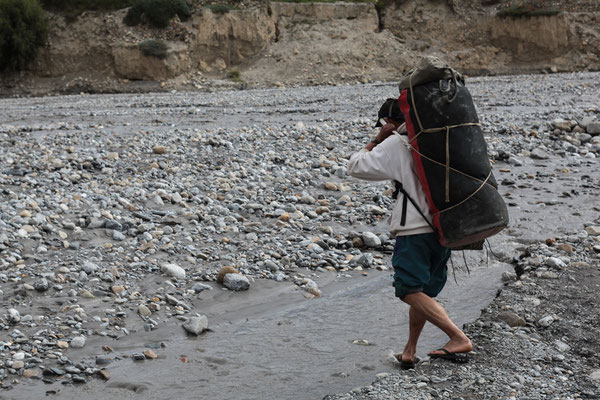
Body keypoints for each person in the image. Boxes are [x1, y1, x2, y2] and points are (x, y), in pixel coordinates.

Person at [346, 98, 472, 368]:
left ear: (388, 122)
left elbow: (356, 166)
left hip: (415, 228)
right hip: (443, 226)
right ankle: (409, 351)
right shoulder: (437, 140)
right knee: (423, 290)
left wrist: (377, 139)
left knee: (407, 289)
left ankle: (457, 337)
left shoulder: (397, 143)